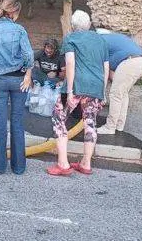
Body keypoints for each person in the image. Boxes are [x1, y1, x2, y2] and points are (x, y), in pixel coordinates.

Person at [47, 10, 109, 176]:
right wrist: (103, 92)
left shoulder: (71, 38)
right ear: (88, 24)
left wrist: (69, 90)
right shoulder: (101, 40)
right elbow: (106, 67)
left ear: (73, 26)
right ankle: (86, 163)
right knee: (90, 122)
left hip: (77, 85)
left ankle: (63, 164)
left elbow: (70, 63)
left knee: (58, 118)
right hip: (96, 87)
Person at [0, 0, 33, 175]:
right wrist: (28, 75)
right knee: (17, 122)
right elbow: (28, 55)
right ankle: (18, 167)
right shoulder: (19, 30)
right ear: (15, 13)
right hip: (19, 81)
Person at [95, 28, 142, 135]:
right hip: (141, 61)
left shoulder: (100, 41)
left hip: (129, 62)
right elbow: (112, 74)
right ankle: (119, 125)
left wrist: (102, 94)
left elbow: (105, 71)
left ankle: (110, 127)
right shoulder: (114, 39)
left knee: (115, 94)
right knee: (122, 93)